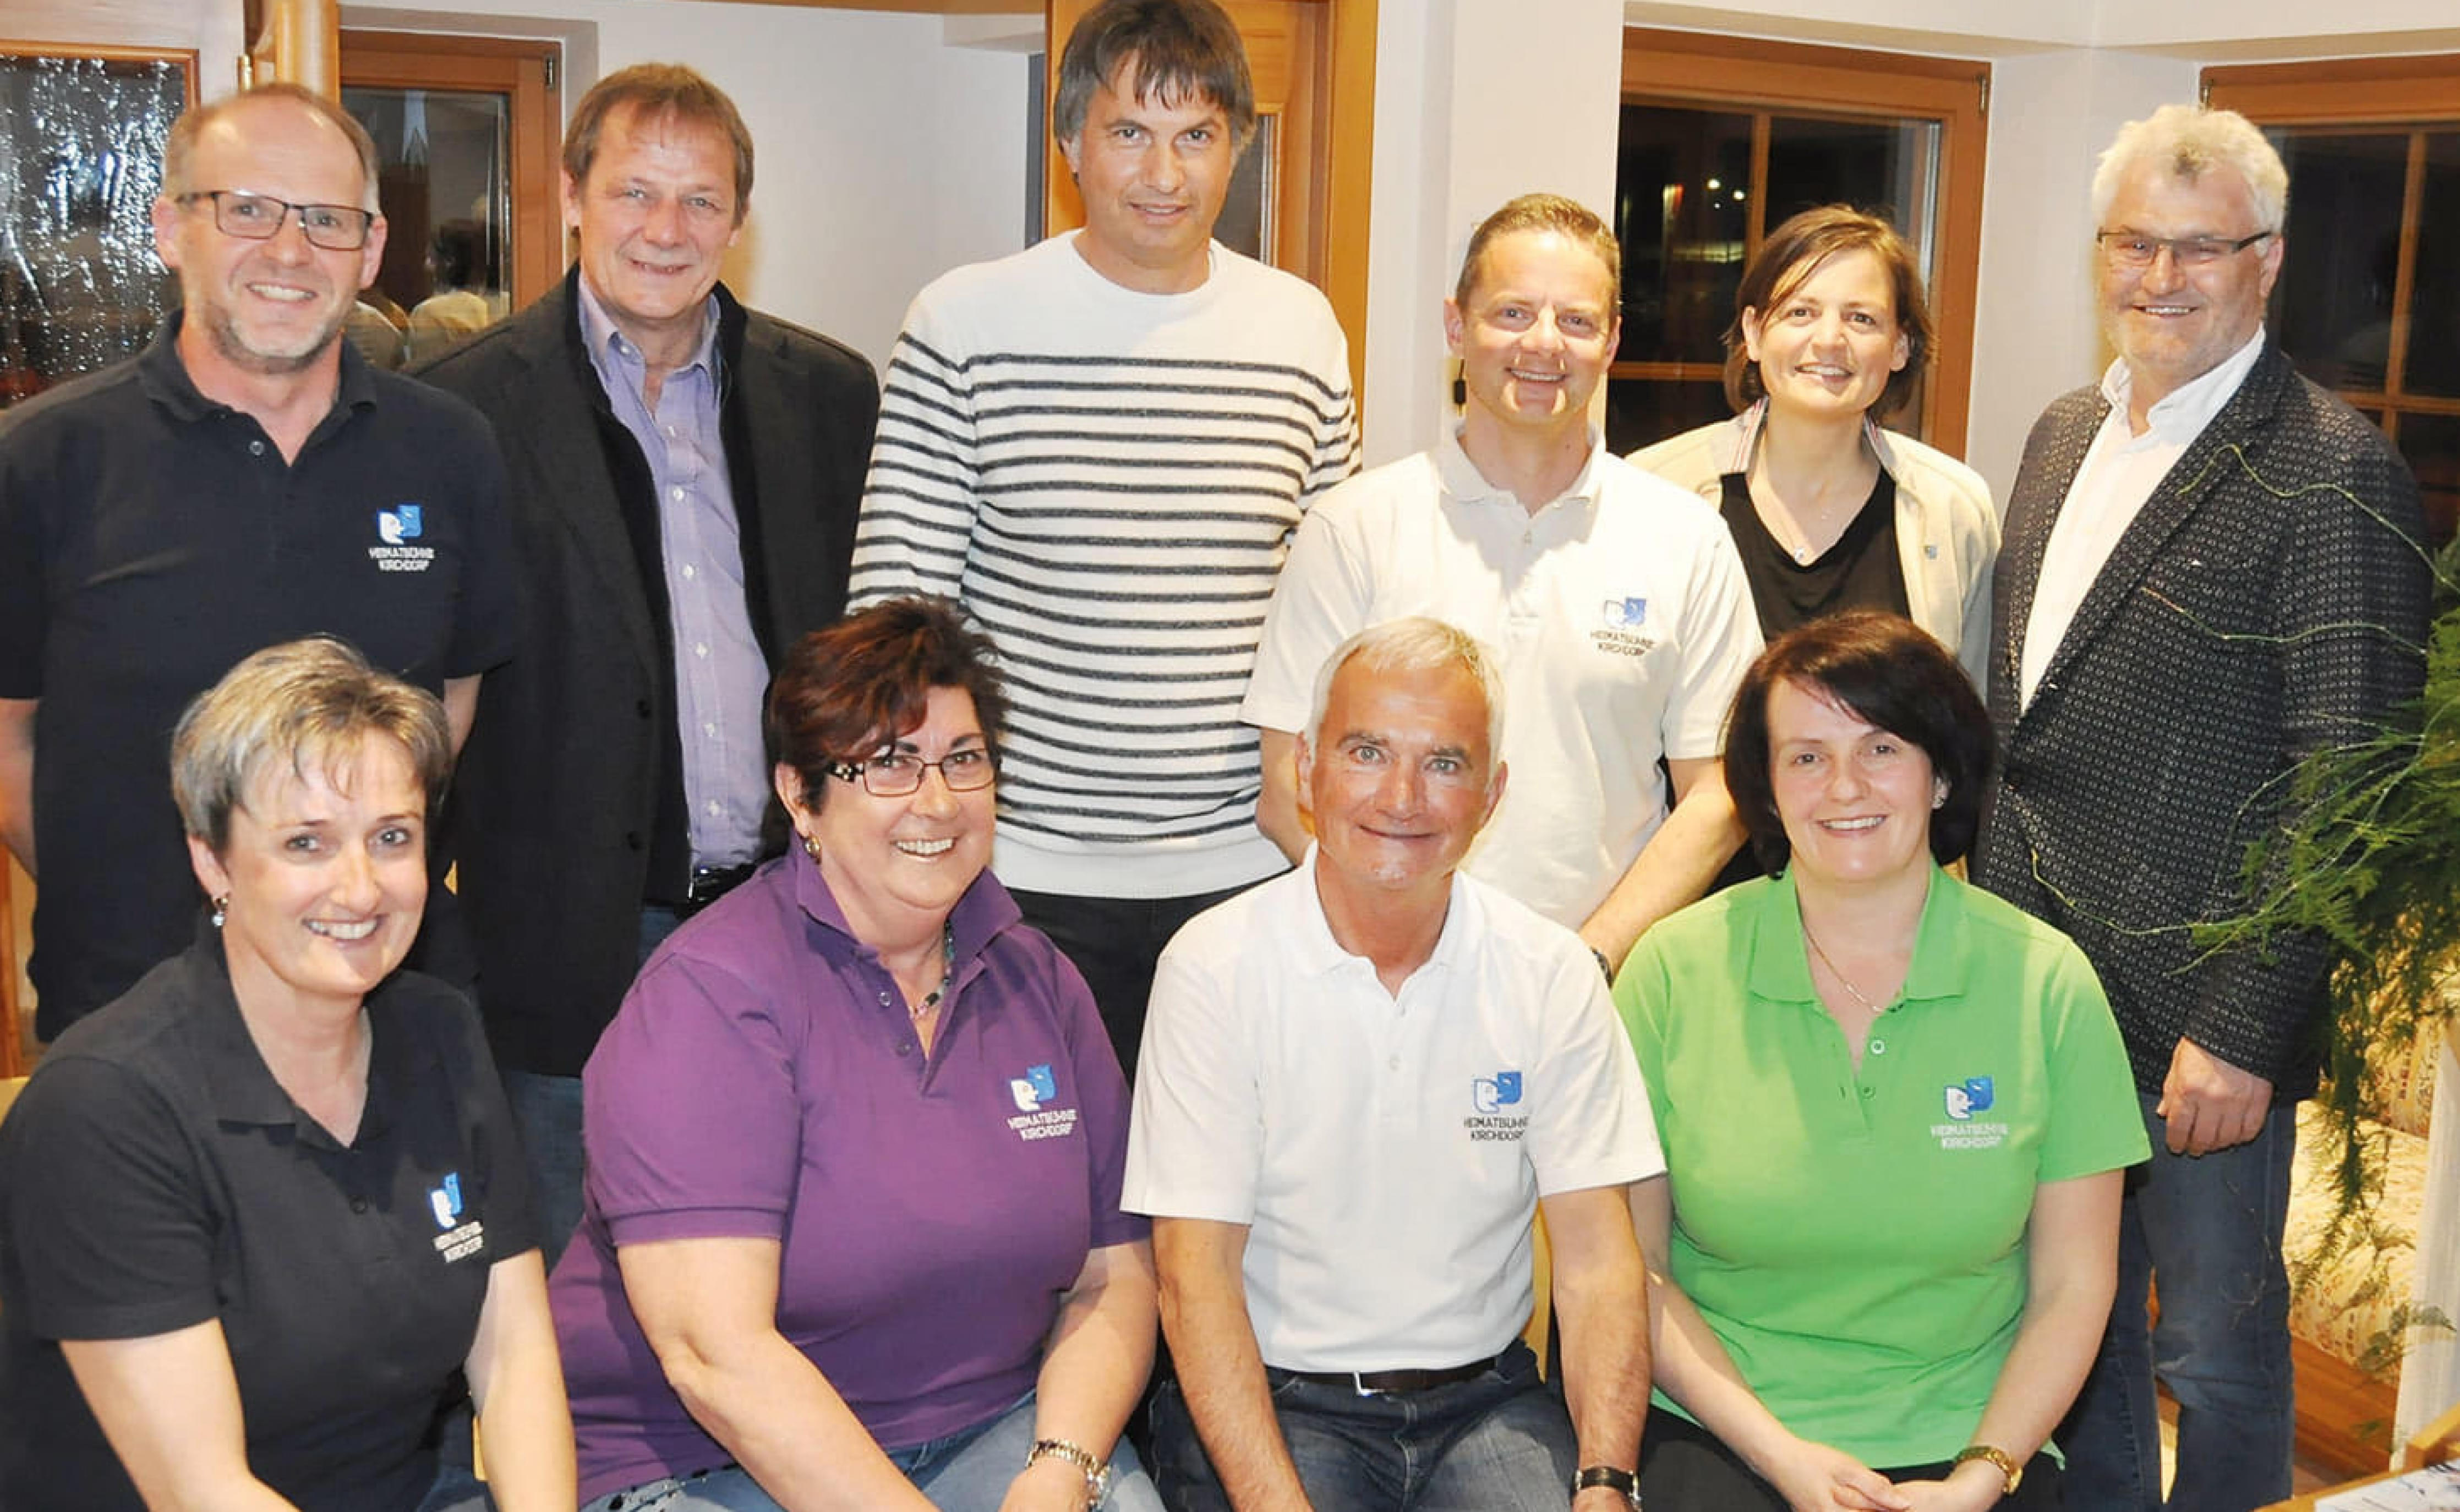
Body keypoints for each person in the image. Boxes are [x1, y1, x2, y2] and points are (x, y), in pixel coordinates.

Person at [1974, 105, 2432, 1512]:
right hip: (2038, 985)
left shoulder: (2332, 471)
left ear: (2266, 260)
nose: (2160, 277)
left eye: (2200, 248)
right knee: (2080, 1316)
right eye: (2133, 244)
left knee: (2215, 1356)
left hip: (2197, 1029)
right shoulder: (2061, 432)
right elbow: (2028, 718)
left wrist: (2242, 1028)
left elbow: (2346, 786)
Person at [549, 598, 1161, 1512]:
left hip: (990, 1429)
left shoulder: (1036, 976)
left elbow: (1115, 1276)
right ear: (801, 796)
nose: (938, 801)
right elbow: (717, 1358)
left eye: (964, 759)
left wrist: (1061, 1468)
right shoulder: (709, 996)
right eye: (889, 765)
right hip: (708, 1457)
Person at [413, 63, 880, 1259]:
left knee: (794, 1259)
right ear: (573, 195)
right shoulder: (460, 411)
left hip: (792, 922)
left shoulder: (832, 397)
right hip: (569, 948)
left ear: (738, 219)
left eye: (700, 200)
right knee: (575, 1288)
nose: (666, 229)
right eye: (634, 192)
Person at [846, 0, 1358, 1077]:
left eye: (1196, 135)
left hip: (1247, 871)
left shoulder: (1302, 330)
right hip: (1020, 877)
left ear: (1237, 146)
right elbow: (894, 620)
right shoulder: (965, 322)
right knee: (1031, 1177)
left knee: (1228, 1175)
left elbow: (1335, 616)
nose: (1164, 173)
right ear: (1071, 142)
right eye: (1131, 132)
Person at [0, 636, 572, 1512]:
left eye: (392, 837)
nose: (361, 889)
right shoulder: (104, 1107)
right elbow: (200, 1490)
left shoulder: (439, 1030)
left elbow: (516, 1359)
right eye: (307, 843)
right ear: (213, 862)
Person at [0, 83, 520, 1040]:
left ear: (370, 250)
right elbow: (7, 736)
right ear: (171, 229)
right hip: (130, 1006)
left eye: (326, 219)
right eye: (246, 209)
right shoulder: (42, 460)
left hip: (386, 1001)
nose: (289, 251)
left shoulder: (450, 450)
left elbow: (450, 701)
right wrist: (134, 892)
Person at [1615, 610, 2149, 1512]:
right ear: (1766, 788)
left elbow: (2073, 1283)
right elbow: (1636, 1271)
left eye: (1882, 748)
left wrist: (1980, 1474)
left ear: (1940, 775)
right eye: (1806, 756)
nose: (1844, 786)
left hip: (1973, 1436)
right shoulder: (1672, 971)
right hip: (1722, 1425)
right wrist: (1782, 1456)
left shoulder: (2046, 981)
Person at [1128, 617, 1658, 1511]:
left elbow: (1599, 1260)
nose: (1402, 797)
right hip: (1278, 1400)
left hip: (1488, 1404)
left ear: (1492, 794)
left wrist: (1606, 1481)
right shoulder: (1212, 967)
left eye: (1444, 763)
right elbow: (1194, 1278)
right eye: (1367, 752)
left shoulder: (1550, 971)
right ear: (1307, 769)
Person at [1244, 193, 1759, 970]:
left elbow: (1718, 795)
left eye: (1576, 320)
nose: (1544, 343)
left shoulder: (1686, 538)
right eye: (1513, 313)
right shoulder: (1355, 527)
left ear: (1612, 341)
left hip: (1601, 981)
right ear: (1457, 327)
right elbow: (1290, 788)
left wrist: (1588, 962)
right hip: (1381, 973)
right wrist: (1404, 949)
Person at [1629, 204, 1997, 687]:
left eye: (1861, 319)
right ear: (1754, 333)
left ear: (1900, 346)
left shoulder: (1954, 509)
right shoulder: (1654, 490)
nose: (1829, 340)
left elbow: (1972, 713)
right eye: (1800, 312)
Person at [406, 220, 507, 359]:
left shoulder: (430, 312)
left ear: (450, 261)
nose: (427, 266)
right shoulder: (510, 304)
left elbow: (426, 368)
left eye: (431, 258)